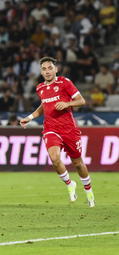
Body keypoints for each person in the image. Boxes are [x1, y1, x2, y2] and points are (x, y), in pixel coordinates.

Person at [20, 57, 95, 208]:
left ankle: (89, 191)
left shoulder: (64, 83)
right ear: (41, 72)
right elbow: (44, 105)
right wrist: (30, 117)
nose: (47, 71)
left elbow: (81, 101)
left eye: (49, 68)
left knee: (78, 164)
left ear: (56, 69)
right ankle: (70, 183)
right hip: (51, 129)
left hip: (69, 130)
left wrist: (67, 103)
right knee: (54, 159)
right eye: (44, 69)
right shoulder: (40, 88)